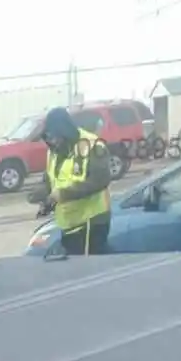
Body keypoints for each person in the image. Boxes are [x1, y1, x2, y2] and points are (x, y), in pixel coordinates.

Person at [39, 106, 114, 255]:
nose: (52, 141)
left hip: (91, 221)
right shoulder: (54, 151)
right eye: (48, 137)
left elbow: (100, 180)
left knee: (87, 269)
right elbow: (51, 179)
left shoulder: (92, 145)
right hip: (69, 222)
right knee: (73, 268)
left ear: (65, 131)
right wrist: (46, 200)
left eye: (54, 136)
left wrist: (63, 194)